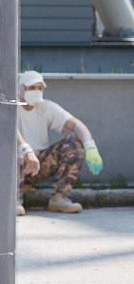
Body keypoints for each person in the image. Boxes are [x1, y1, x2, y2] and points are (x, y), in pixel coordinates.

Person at [15, 70, 103, 215]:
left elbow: (76, 124)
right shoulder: (12, 107)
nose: (36, 91)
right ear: (21, 89)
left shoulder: (46, 107)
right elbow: (11, 130)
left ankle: (59, 198)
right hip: (16, 164)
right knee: (14, 151)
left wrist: (90, 146)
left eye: (39, 88)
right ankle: (13, 198)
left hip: (38, 166)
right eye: (31, 88)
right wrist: (26, 150)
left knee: (75, 140)